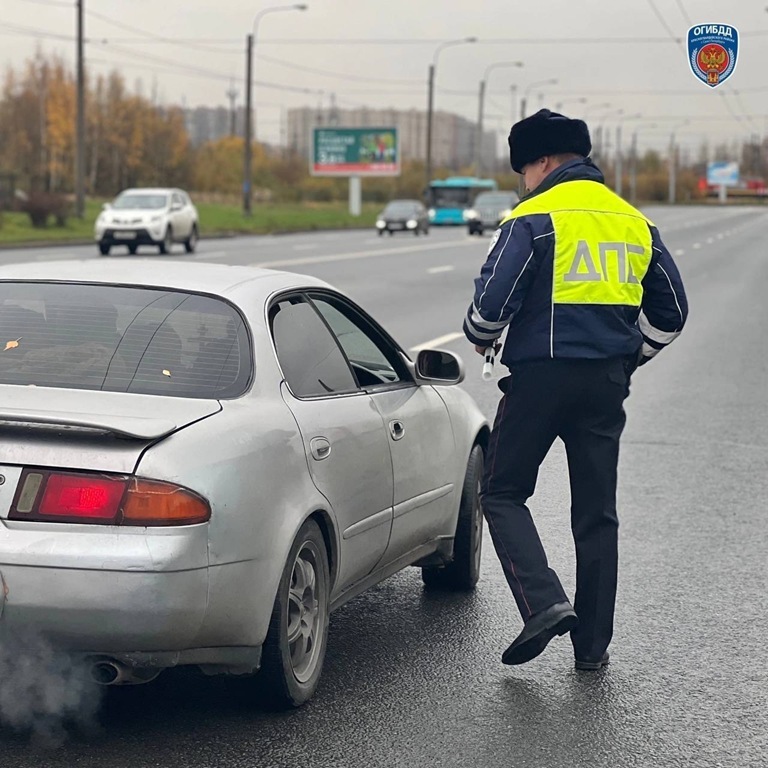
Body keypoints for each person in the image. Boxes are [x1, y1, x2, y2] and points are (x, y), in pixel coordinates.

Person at [463, 108, 688, 671]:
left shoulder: (533, 218)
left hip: (539, 378)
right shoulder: (633, 221)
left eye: (523, 170)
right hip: (605, 384)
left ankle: (543, 602)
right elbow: (672, 312)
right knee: (596, 514)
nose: (524, 181)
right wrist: (628, 359)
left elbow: (489, 313)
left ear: (540, 161)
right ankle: (592, 649)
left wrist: (478, 334)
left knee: (502, 491)